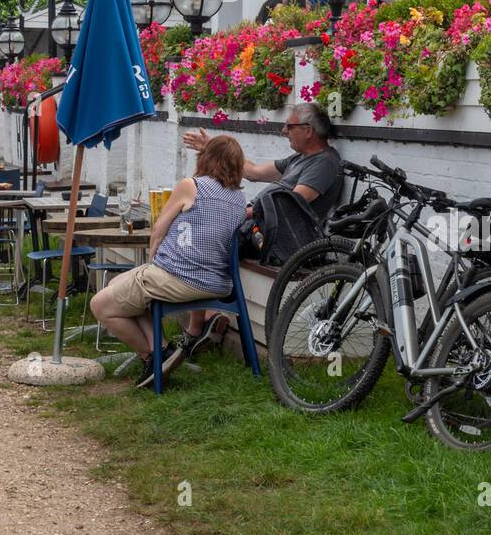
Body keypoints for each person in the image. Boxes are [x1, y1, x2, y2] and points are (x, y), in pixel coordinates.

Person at [90, 136, 248, 388]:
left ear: (205, 158)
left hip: (178, 278)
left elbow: (159, 230)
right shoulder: (239, 200)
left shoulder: (191, 185)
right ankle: (160, 348)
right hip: (219, 284)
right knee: (122, 284)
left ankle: (154, 356)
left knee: (100, 305)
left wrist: (152, 263)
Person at [184, 101, 342, 221]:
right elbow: (254, 173)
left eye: (289, 126)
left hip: (276, 239)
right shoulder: (300, 157)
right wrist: (212, 148)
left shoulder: (324, 163)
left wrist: (241, 214)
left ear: (307, 131)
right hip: (258, 223)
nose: (284, 131)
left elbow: (291, 203)